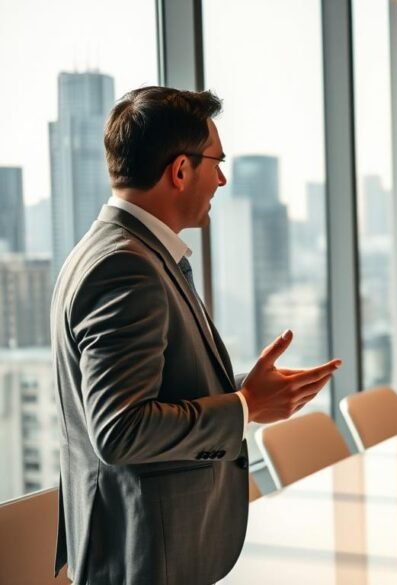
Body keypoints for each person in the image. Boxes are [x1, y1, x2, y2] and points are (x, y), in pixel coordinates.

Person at [51, 87, 341, 584]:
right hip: (145, 555)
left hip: (149, 547)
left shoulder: (119, 251)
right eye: (216, 162)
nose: (222, 178)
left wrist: (249, 389)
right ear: (180, 171)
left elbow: (150, 388)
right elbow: (120, 430)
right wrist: (245, 407)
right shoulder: (126, 266)